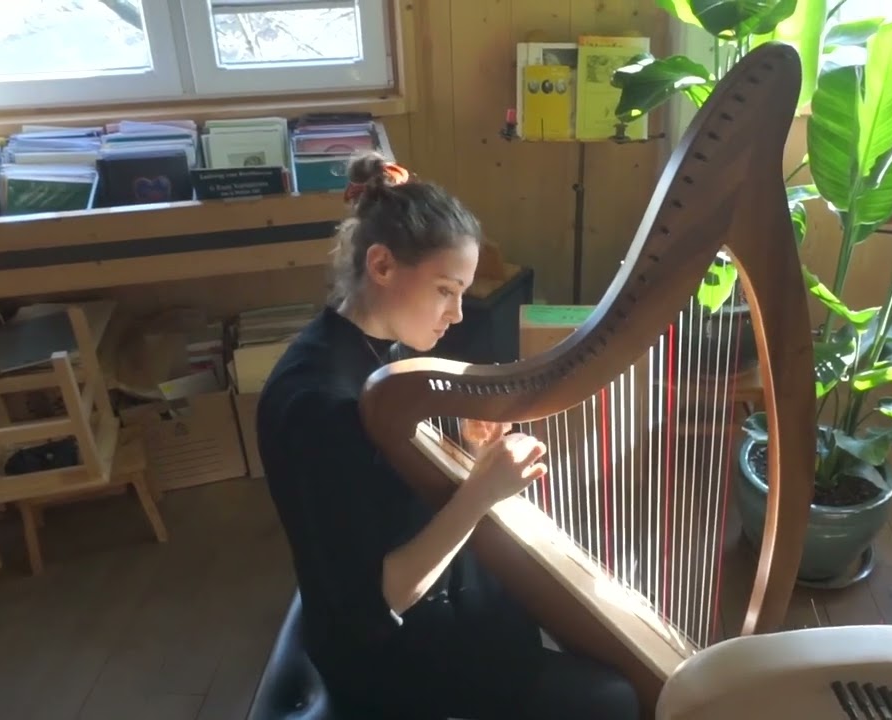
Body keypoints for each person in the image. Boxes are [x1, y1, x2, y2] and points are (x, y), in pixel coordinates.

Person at [255, 151, 640, 720]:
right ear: (381, 266)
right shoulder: (322, 405)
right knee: (616, 697)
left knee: (523, 600)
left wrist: (467, 453)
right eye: (445, 289)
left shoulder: (354, 347)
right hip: (378, 657)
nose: (458, 314)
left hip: (411, 612)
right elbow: (378, 600)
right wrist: (480, 491)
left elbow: (380, 489)